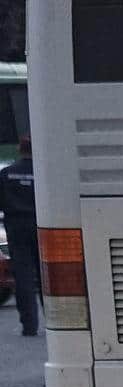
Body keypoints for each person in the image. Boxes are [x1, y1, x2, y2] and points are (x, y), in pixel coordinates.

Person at [1, 136, 38, 338]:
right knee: (46, 276)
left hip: (16, 227)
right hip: (42, 225)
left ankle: (29, 325)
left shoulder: (6, 174)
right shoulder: (43, 173)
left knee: (23, 277)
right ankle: (54, 323)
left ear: (19, 149)